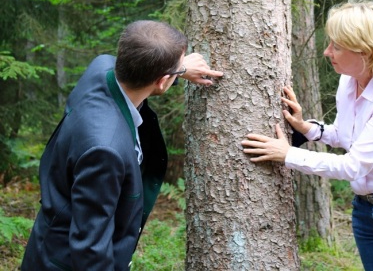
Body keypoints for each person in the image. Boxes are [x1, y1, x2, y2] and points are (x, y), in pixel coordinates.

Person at [241, 0, 373, 270]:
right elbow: (345, 135)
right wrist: (308, 128)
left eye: (336, 46)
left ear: (365, 51)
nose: (327, 52)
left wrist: (288, 155)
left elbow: (354, 166)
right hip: (367, 212)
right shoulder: (349, 79)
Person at [21, 20, 223, 270]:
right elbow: (91, 249)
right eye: (178, 70)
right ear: (162, 81)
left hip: (48, 241)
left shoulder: (102, 67)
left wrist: (178, 72)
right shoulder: (105, 151)